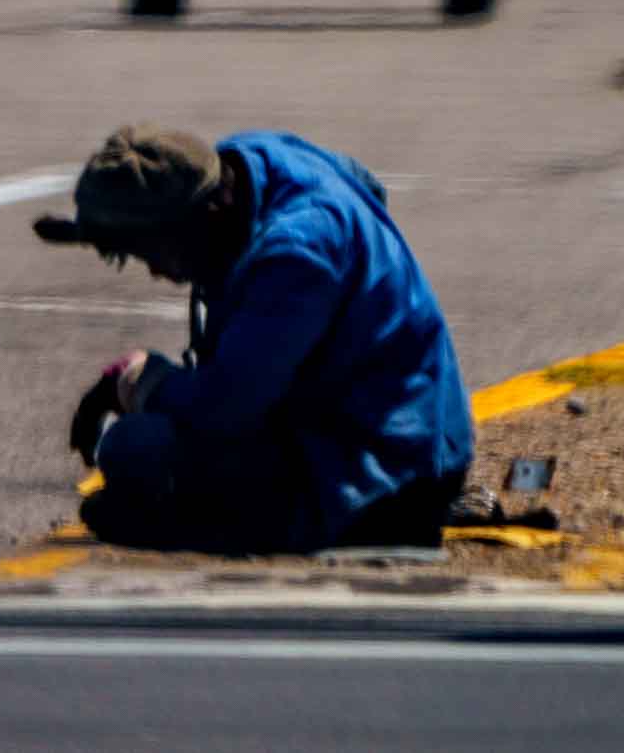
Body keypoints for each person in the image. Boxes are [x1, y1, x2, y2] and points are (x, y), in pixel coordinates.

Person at [34, 124, 474, 553]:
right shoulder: (251, 162)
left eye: (158, 253)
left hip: (387, 470)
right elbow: (366, 185)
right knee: (144, 451)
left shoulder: (294, 256)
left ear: (206, 217)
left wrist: (141, 382)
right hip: (399, 430)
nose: (157, 272)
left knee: (134, 448)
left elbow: (225, 408)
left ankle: (337, 518)